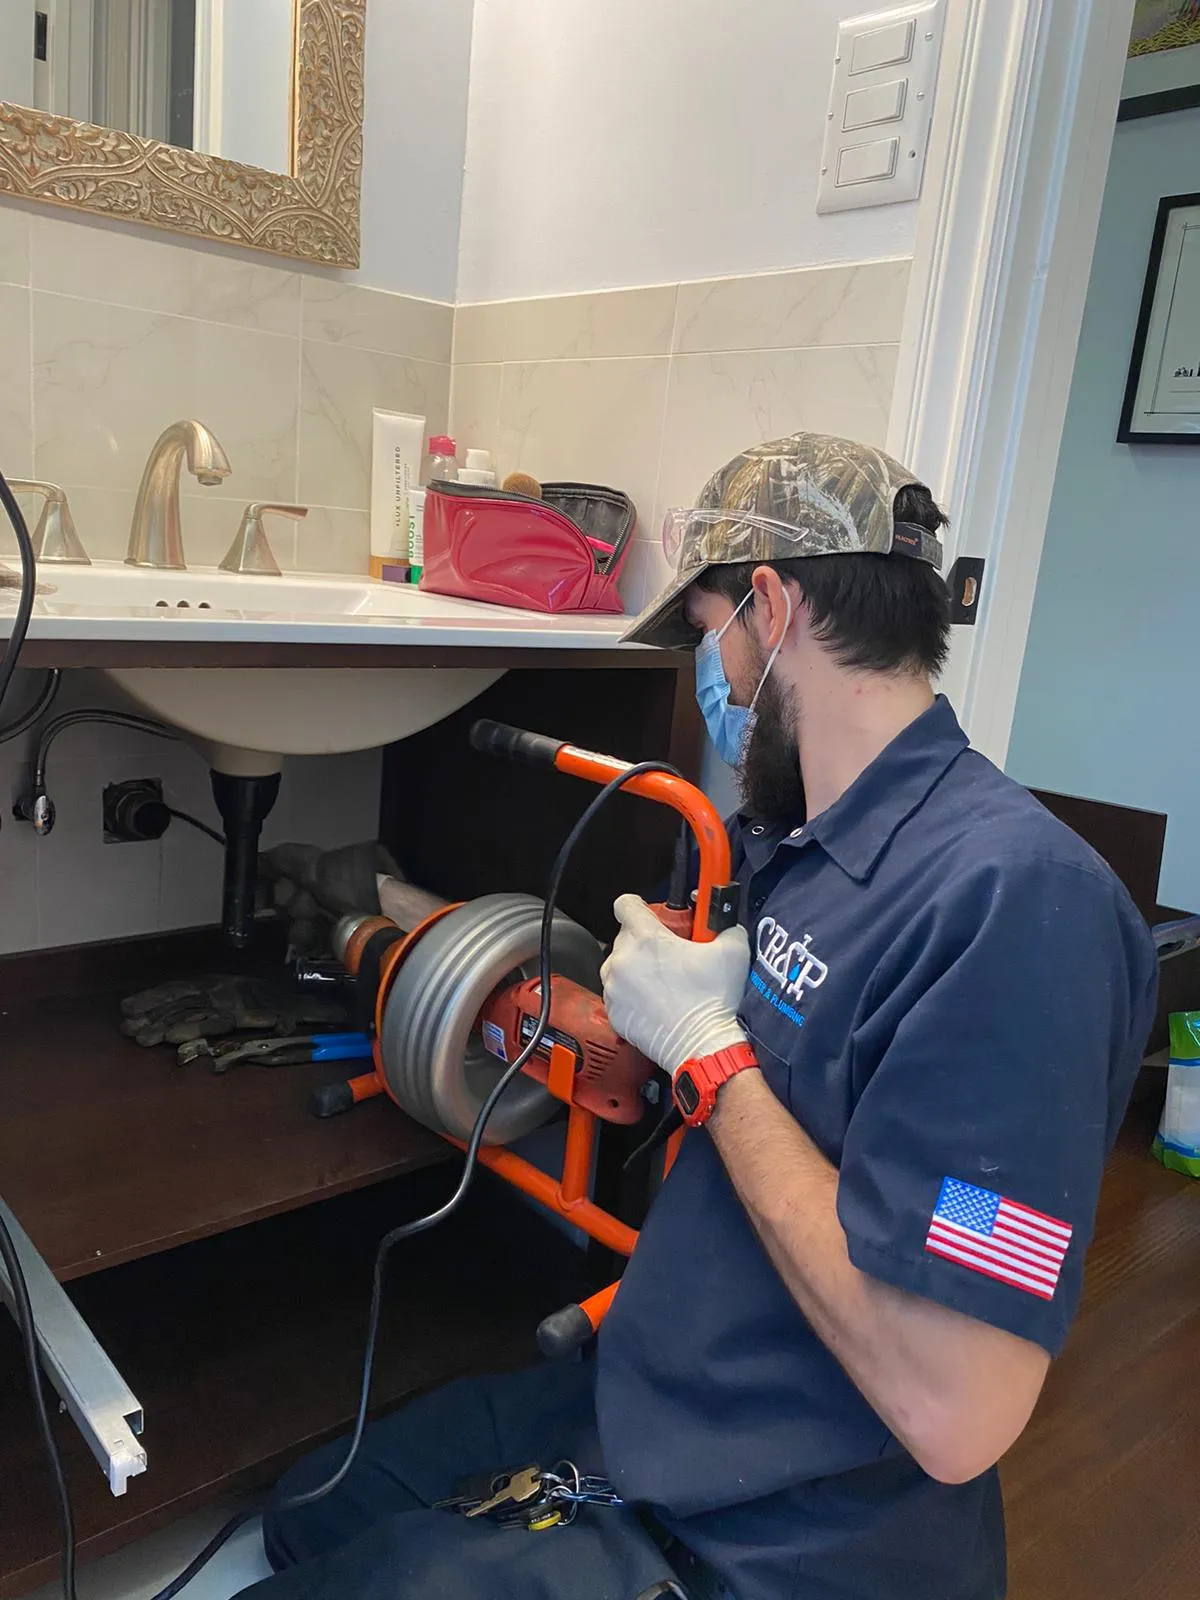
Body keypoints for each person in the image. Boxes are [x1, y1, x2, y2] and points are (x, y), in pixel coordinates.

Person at [242, 433, 1157, 1600]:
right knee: (313, 1512)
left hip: (778, 1534)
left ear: (771, 610)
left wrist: (712, 1058)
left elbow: (955, 1409)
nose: (705, 675)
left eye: (707, 632)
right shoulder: (809, 851)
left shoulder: (1020, 909)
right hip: (651, 1400)